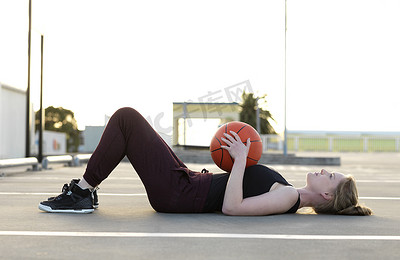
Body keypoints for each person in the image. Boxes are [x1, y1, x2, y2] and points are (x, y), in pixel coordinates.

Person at [39, 107, 372, 216]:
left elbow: (232, 208)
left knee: (127, 118)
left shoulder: (288, 197)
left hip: (180, 193)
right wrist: (234, 162)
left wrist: (240, 160)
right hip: (188, 182)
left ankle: (82, 193)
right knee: (132, 125)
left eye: (330, 176)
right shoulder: (287, 191)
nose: (324, 171)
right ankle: (87, 190)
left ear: (327, 196)